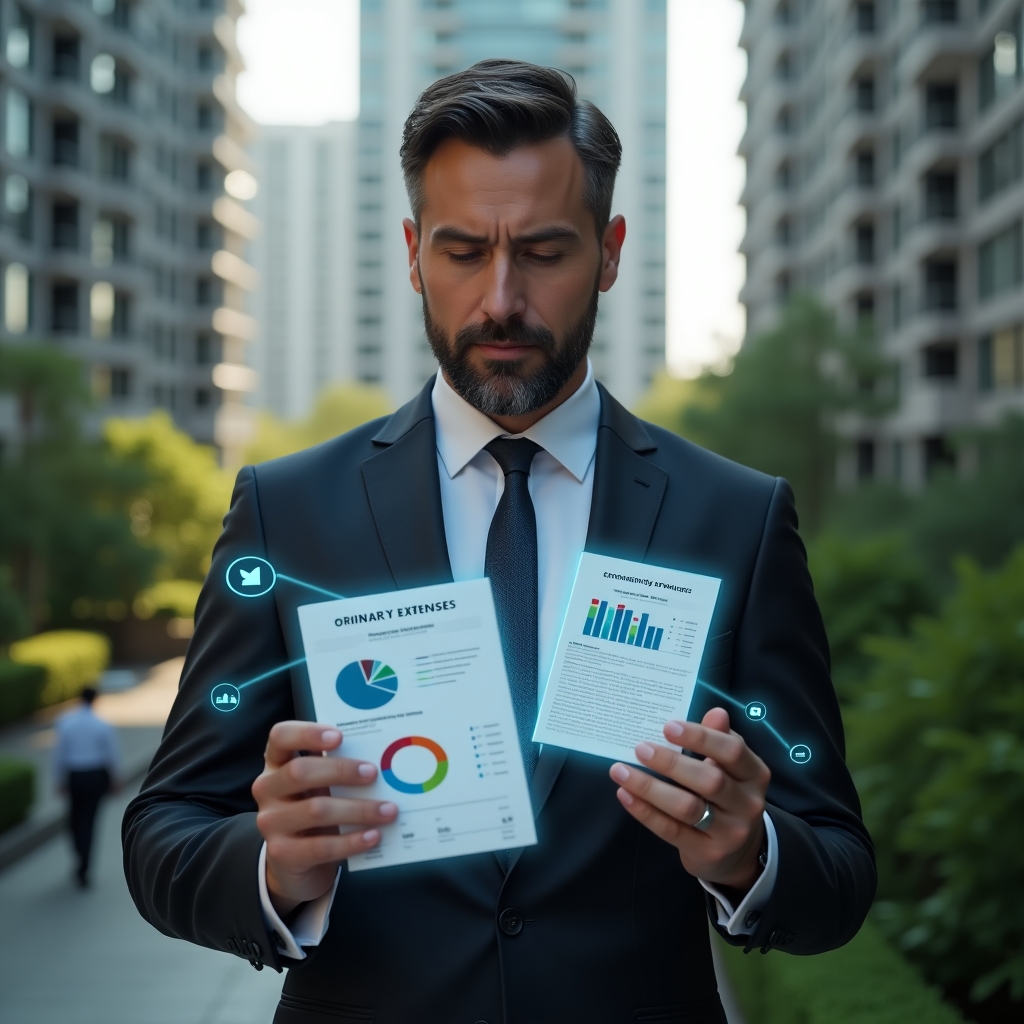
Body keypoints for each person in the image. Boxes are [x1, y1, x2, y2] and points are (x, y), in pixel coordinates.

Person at [124, 61, 875, 1023]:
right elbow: (165, 829)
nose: (501, 299)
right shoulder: (287, 511)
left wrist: (749, 853)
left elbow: (839, 869)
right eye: (464, 252)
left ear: (609, 253)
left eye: (545, 252)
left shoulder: (735, 518)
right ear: (412, 254)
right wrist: (275, 866)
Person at [54, 685, 119, 887]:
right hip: (95, 776)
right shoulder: (102, 724)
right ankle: (84, 862)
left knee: (75, 820)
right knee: (89, 821)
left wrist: (58, 779)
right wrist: (115, 778)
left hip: (75, 775)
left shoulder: (66, 722)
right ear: (95, 700)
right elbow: (112, 753)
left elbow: (59, 754)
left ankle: (81, 859)